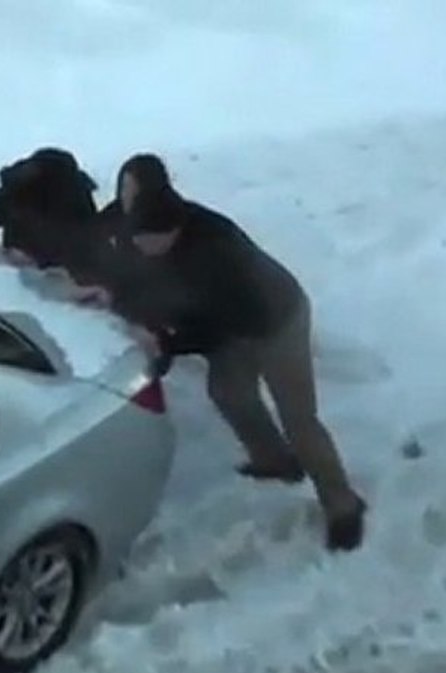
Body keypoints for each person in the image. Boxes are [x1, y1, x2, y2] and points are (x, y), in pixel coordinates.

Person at [72, 153, 367, 552]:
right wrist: (109, 290)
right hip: (223, 320)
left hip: (274, 319)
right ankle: (275, 461)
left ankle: (343, 506)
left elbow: (221, 326)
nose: (140, 247)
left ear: (172, 231)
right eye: (136, 239)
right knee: (229, 392)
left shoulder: (216, 250)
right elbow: (125, 267)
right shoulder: (140, 225)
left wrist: (165, 341)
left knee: (299, 419)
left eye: (149, 241)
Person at [0, 147, 104, 282]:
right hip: (19, 280)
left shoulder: (76, 197)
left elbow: (87, 250)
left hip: (45, 282)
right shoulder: (16, 193)